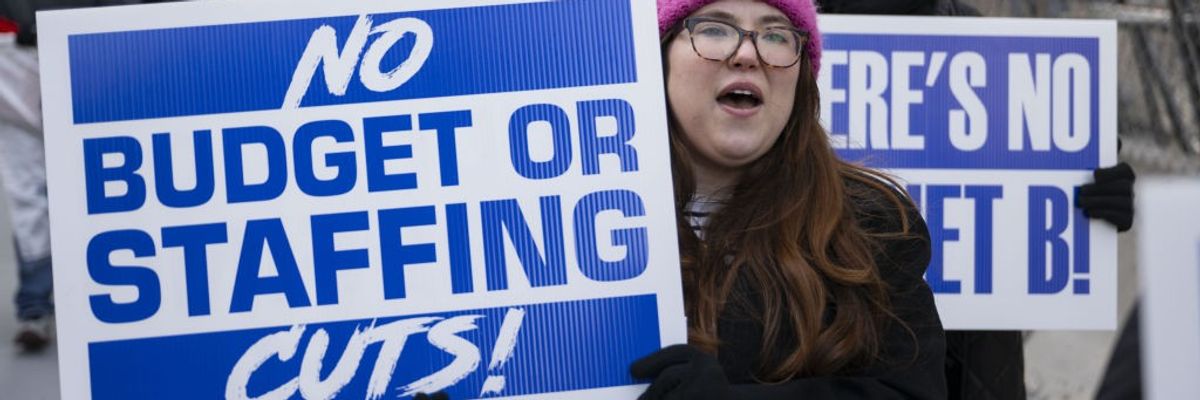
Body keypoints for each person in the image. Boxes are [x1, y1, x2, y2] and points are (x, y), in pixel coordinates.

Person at [813, 1, 1138, 399]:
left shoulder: (980, 37)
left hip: (977, 367)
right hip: (838, 358)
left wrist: (1093, 198)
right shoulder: (784, 38)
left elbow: (1021, 182)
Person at [629, 0, 946, 398]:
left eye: (776, 34)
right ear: (658, 57)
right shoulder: (575, 225)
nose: (747, 54)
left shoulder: (871, 224)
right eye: (713, 29)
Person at [0, 13, 54, 352]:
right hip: (12, 44)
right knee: (26, 184)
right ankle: (35, 302)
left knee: (100, 172)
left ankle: (114, 298)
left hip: (84, 35)